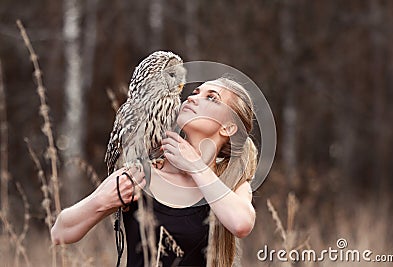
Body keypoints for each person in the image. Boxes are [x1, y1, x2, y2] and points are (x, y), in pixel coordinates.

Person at [51, 77, 258, 267]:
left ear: (228, 128)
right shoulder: (141, 176)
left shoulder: (232, 185)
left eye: (211, 98)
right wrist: (102, 201)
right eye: (195, 92)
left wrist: (195, 166)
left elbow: (240, 224)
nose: (193, 98)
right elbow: (61, 232)